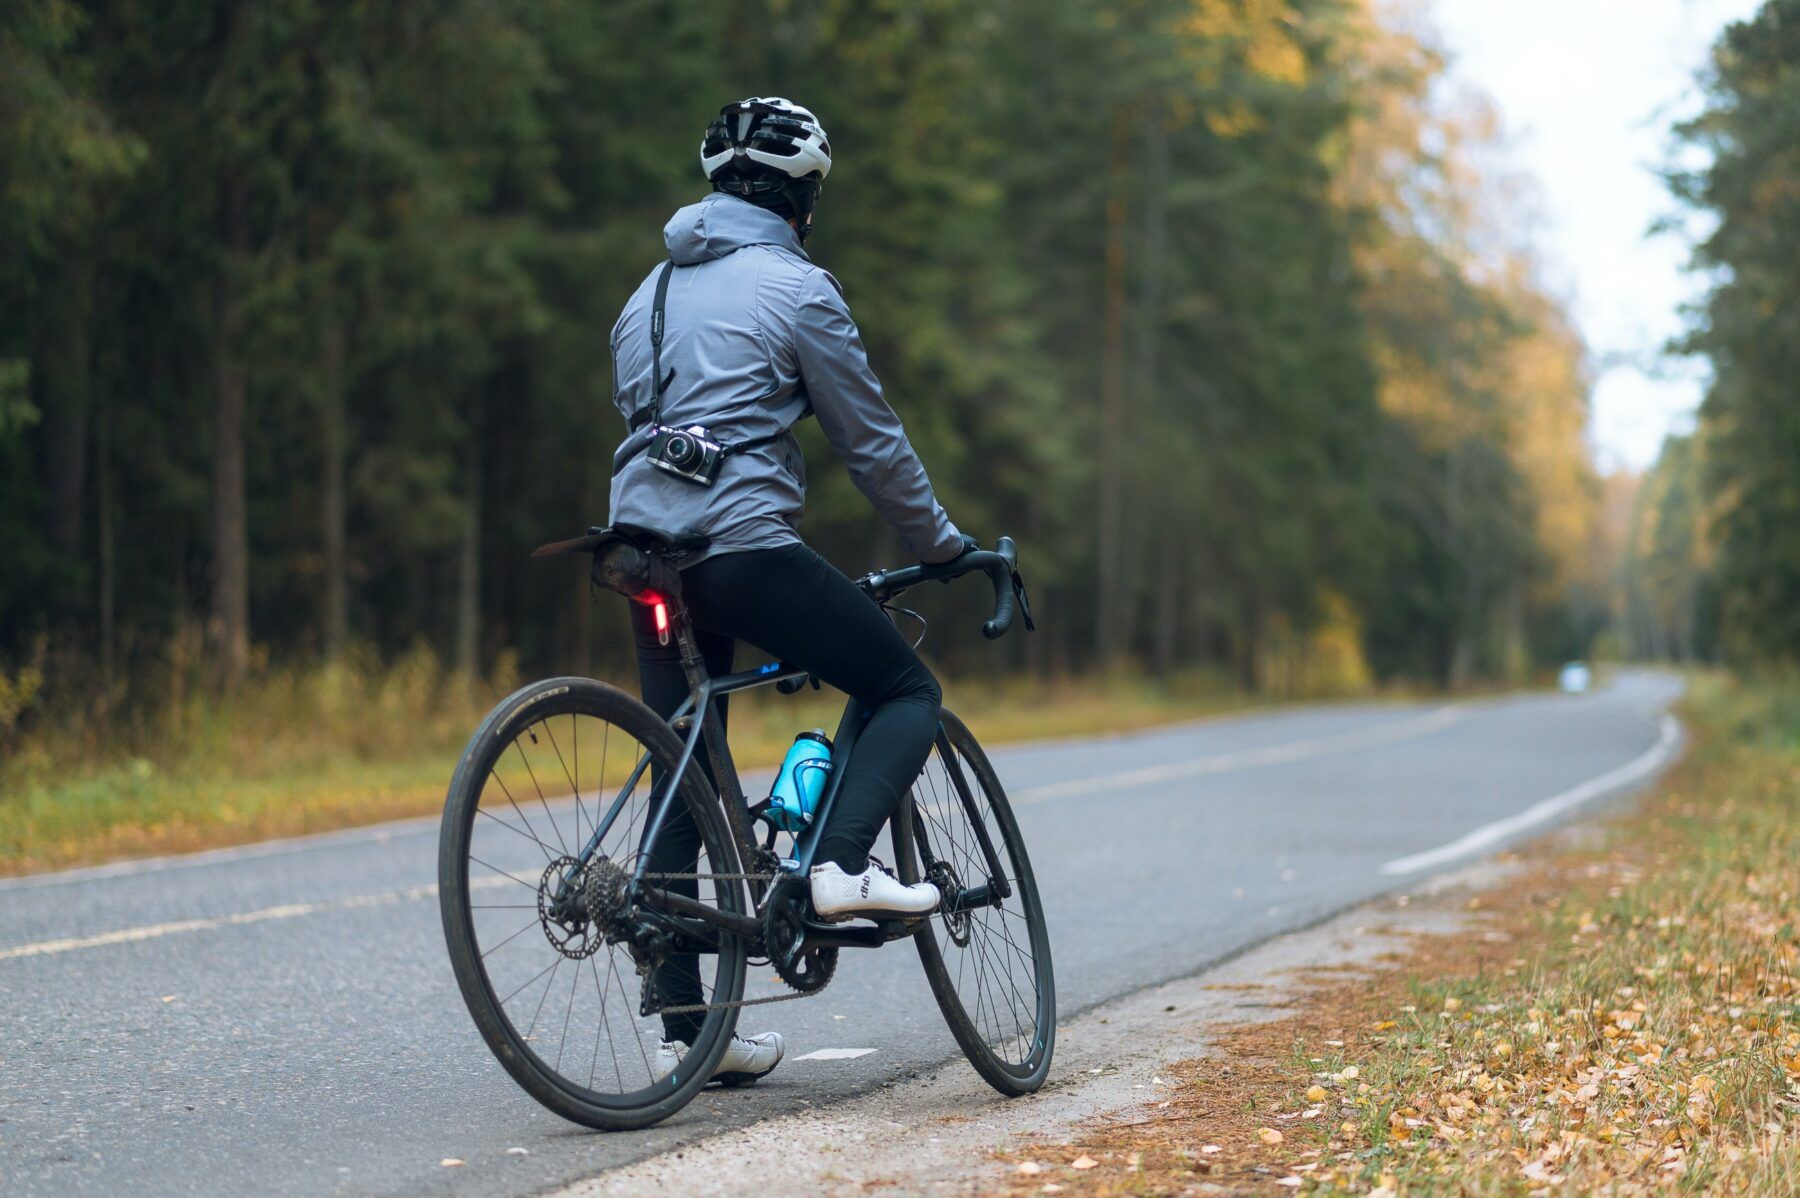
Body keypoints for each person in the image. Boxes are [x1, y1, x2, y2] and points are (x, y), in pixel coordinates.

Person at [608, 97, 972, 1086]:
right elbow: (870, 440)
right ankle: (840, 866)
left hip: (642, 555)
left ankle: (689, 1032)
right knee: (906, 691)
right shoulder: (796, 287)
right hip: (740, 552)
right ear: (802, 194)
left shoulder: (644, 295)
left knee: (685, 754)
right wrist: (940, 542)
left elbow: (642, 413)